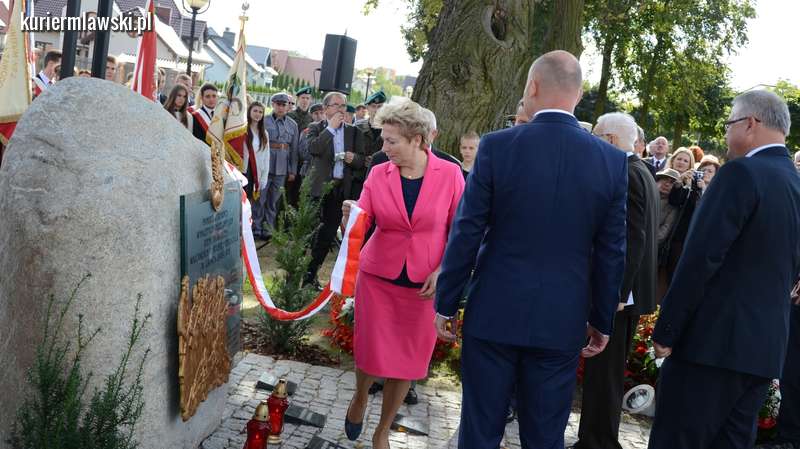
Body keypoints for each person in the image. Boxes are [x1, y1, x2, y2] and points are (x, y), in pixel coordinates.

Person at [434, 50, 627, 449]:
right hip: (562, 319)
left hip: (495, 311)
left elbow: (467, 231)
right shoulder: (610, 161)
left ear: (533, 86)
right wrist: (602, 319)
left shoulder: (497, 146)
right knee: (545, 436)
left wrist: (447, 301)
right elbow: (612, 251)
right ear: (578, 94)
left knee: (480, 431)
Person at [649, 89, 800, 449]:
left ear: (750, 123)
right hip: (764, 350)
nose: (727, 131)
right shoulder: (795, 184)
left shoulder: (741, 173)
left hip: (711, 345)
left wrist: (667, 329)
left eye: (730, 122)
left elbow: (701, 257)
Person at [341, 97, 465, 449]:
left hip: (424, 285)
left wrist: (443, 270)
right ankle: (360, 396)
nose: (384, 147)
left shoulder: (451, 174)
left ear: (417, 139)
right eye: (384, 139)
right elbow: (363, 219)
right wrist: (350, 216)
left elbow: (461, 230)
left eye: (391, 140)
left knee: (407, 363)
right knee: (371, 352)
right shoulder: (378, 172)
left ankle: (383, 430)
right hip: (378, 279)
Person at [572, 112, 659, 449]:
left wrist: (618, 292)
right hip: (630, 293)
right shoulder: (641, 170)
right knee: (603, 372)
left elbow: (632, 238)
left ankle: (598, 442)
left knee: (604, 374)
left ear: (609, 139)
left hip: (622, 295)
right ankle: (594, 438)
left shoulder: (628, 172)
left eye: (596, 135)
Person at [303, 92, 366, 287]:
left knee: (327, 235)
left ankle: (311, 277)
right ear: (325, 108)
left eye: (343, 105)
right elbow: (313, 149)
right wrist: (330, 128)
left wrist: (354, 159)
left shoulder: (354, 132)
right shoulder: (316, 128)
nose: (340, 109)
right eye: (336, 105)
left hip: (340, 191)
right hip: (318, 189)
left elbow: (362, 161)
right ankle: (298, 275)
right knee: (309, 233)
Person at [262, 92, 299, 241]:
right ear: (272, 104)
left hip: (282, 167)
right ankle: (256, 227)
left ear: (288, 106)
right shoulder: (263, 121)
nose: (281, 107)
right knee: (260, 198)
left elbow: (294, 150)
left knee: (274, 200)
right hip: (265, 164)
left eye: (284, 105)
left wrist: (292, 170)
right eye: (278, 104)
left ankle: (269, 229)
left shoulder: (292, 124)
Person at [245, 101, 270, 239]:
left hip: (257, 173)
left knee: (252, 204)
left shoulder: (264, 133)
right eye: (255, 111)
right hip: (245, 171)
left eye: (260, 112)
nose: (258, 114)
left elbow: (266, 157)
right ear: (249, 111)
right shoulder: (243, 130)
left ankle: (249, 231)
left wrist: (264, 177)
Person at [655, 168, 680, 248]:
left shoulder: (672, 207)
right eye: (664, 179)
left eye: (672, 182)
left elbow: (664, 232)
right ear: (657, 181)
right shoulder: (645, 196)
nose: (667, 184)